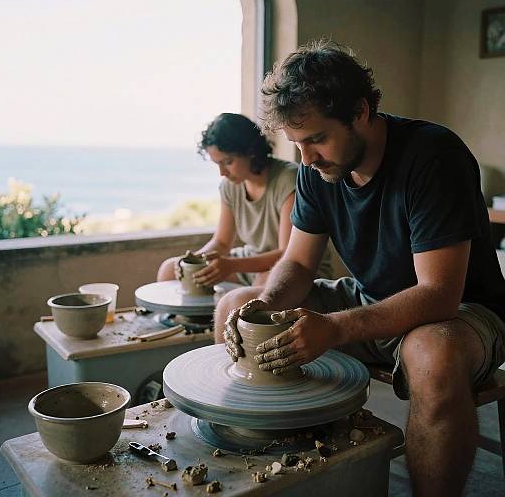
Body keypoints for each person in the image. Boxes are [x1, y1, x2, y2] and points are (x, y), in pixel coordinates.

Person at [215, 42, 505, 497]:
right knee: (238, 305)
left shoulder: (433, 156)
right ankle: (272, 471)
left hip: (460, 313)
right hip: (371, 298)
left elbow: (438, 295)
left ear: (361, 111)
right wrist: (266, 304)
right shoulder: (316, 171)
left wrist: (332, 328)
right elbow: (296, 262)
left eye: (316, 139)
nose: (306, 158)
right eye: (296, 144)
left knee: (432, 355)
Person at [157, 113, 332, 289]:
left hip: (296, 268)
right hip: (251, 262)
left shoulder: (288, 180)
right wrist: (193, 260)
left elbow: (287, 254)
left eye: (228, 162)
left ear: (250, 152)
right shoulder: (230, 186)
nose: (222, 173)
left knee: (262, 285)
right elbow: (222, 243)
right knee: (169, 270)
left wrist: (231, 265)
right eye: (217, 164)